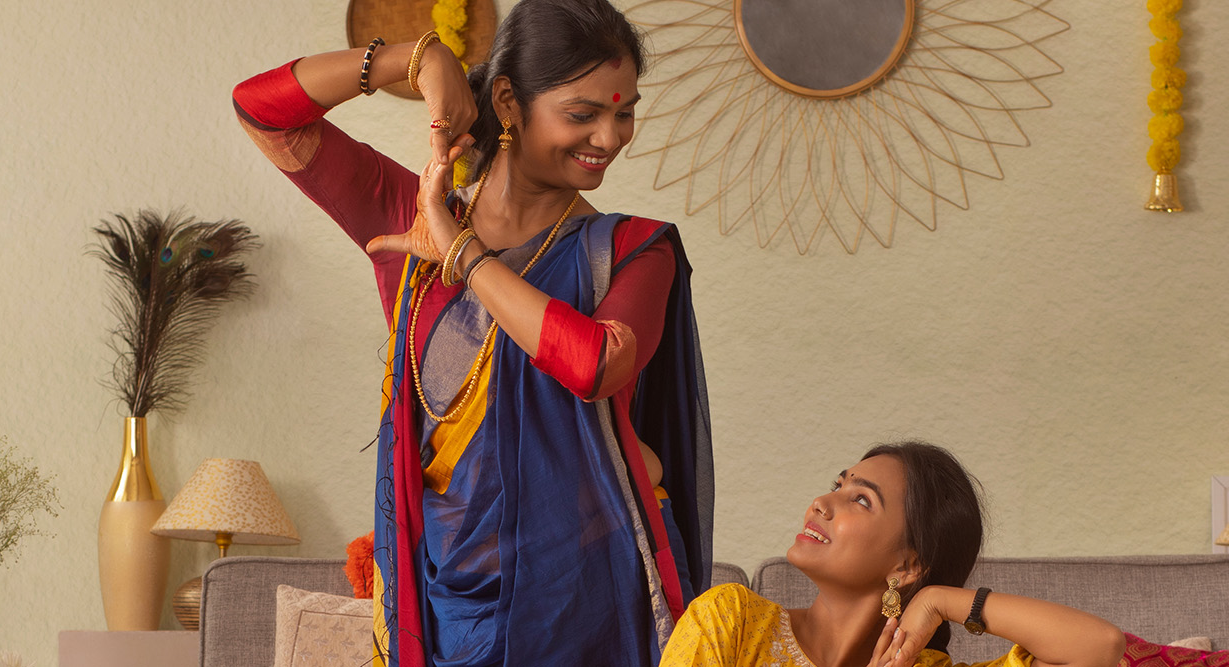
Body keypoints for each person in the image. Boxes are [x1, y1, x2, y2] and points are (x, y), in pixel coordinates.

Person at [229, 1, 711, 665]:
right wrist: (418, 57)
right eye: (583, 113)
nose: (610, 136)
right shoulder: (409, 215)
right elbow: (262, 110)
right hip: (449, 606)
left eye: (623, 112)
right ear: (509, 102)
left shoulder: (631, 250)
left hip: (596, 606)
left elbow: (597, 362)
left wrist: (464, 254)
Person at [662, 443, 1126, 667]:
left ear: (906, 565)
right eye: (837, 485)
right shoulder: (733, 619)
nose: (820, 504)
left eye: (860, 499)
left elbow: (1098, 648)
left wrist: (940, 601)